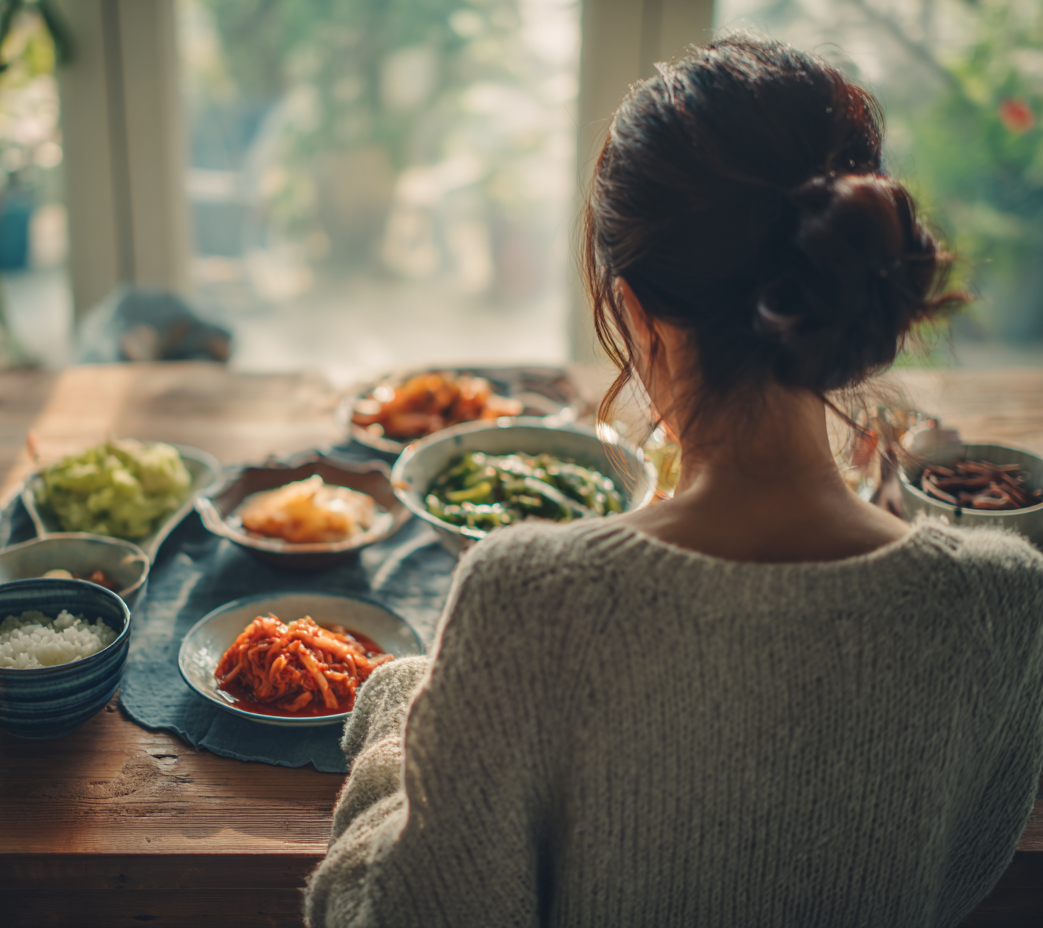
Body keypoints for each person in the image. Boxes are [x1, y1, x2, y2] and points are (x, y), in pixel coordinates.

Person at [304, 35, 1043, 927]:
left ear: (637, 312)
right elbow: (957, 877)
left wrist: (403, 717)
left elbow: (387, 915)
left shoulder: (528, 601)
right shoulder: (1003, 606)